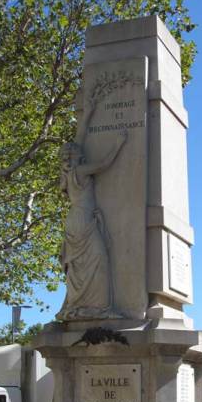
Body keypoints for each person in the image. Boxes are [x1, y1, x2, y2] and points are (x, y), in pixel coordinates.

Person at [56, 130, 127, 321]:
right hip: (83, 220)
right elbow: (104, 163)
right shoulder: (80, 170)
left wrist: (89, 112)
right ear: (78, 157)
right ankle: (100, 308)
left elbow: (79, 138)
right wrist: (118, 143)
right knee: (99, 260)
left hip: (74, 220)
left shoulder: (68, 174)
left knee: (79, 266)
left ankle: (80, 305)